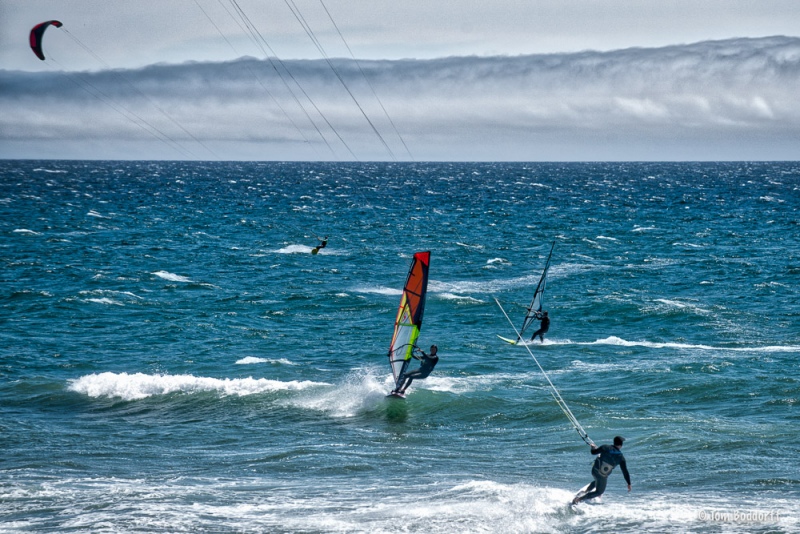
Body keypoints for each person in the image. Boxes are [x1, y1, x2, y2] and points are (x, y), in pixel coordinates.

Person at [572, 436, 631, 505]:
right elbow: (625, 472)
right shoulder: (621, 457)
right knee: (599, 492)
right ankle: (578, 499)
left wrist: (593, 447)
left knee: (597, 481)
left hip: (594, 471)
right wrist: (628, 483)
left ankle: (584, 492)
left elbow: (593, 452)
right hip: (602, 475)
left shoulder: (605, 447)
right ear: (621, 445)